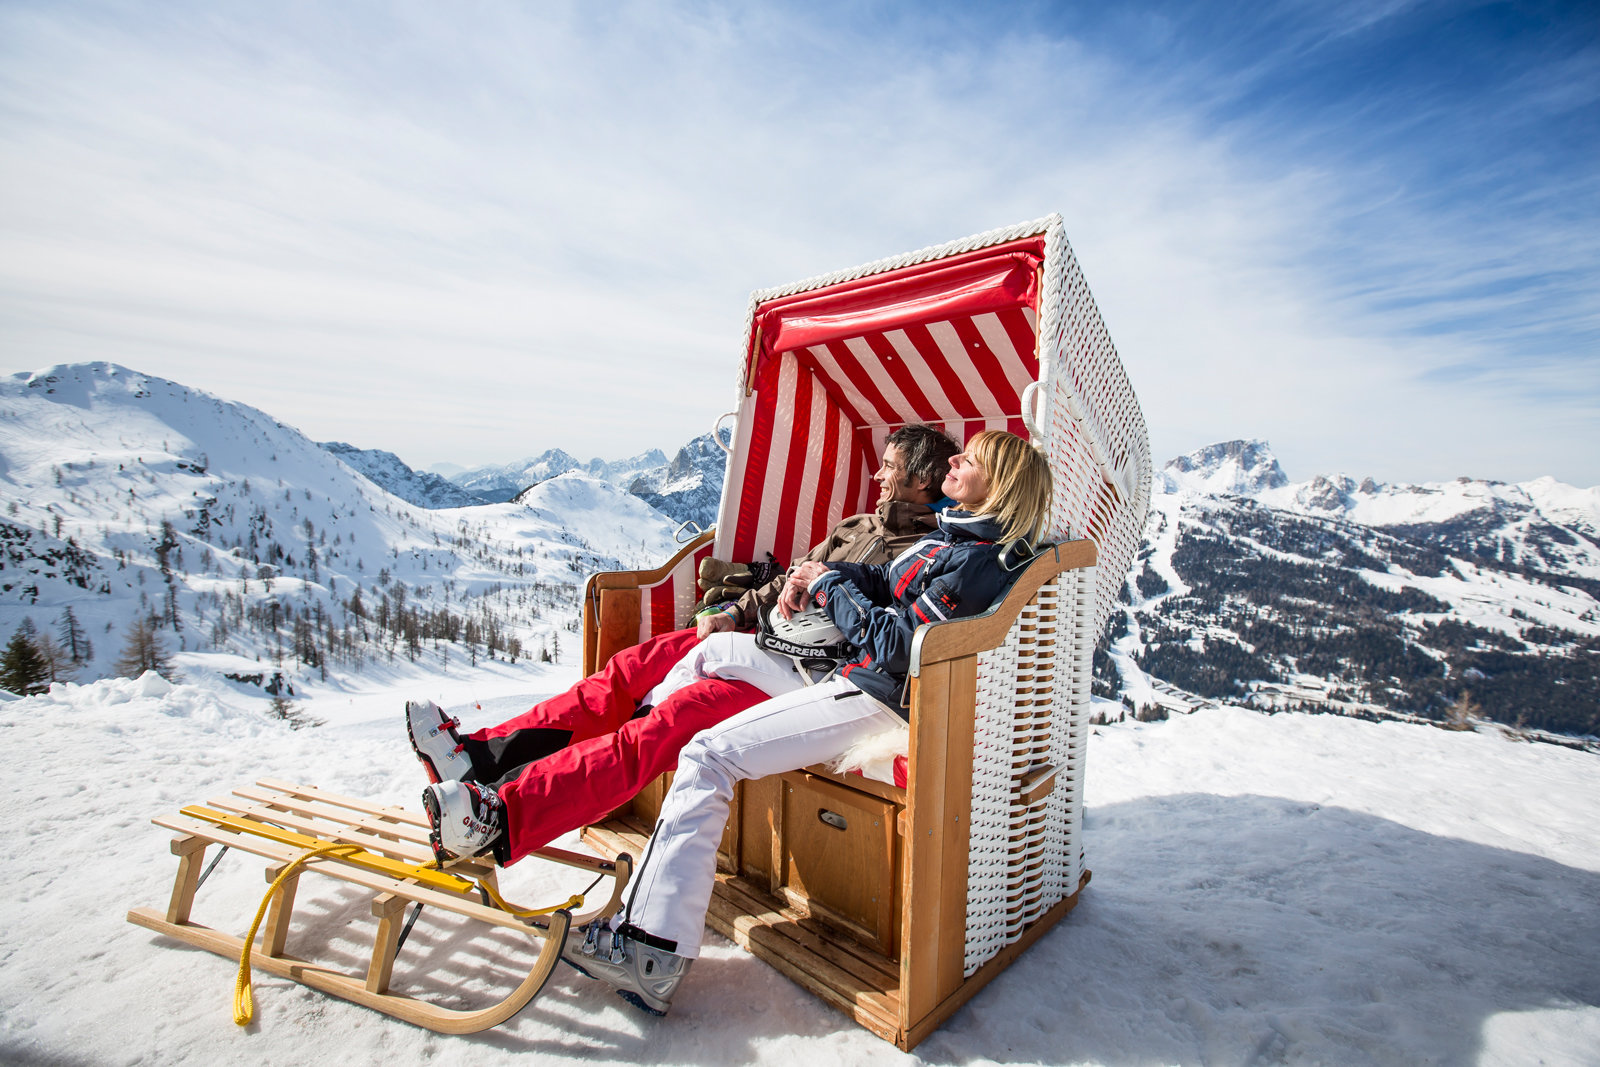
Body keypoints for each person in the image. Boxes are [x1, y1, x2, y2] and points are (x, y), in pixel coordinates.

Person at [562, 430, 1053, 1015]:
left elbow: (898, 647)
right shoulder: (954, 540)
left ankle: (650, 953)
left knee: (706, 755)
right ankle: (643, 742)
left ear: (995, 485)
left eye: (968, 460)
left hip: (875, 693)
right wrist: (820, 574)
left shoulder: (973, 562)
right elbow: (886, 584)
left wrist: (828, 588)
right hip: (856, 673)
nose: (954, 460)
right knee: (706, 654)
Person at [409, 424, 962, 866]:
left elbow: (881, 639)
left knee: (664, 723)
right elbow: (787, 578)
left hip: (802, 676)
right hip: (759, 636)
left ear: (920, 482)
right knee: (628, 668)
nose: (878, 474)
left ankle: (502, 816)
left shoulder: (924, 554)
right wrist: (732, 610)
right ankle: (479, 758)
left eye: (889, 467)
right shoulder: (855, 525)